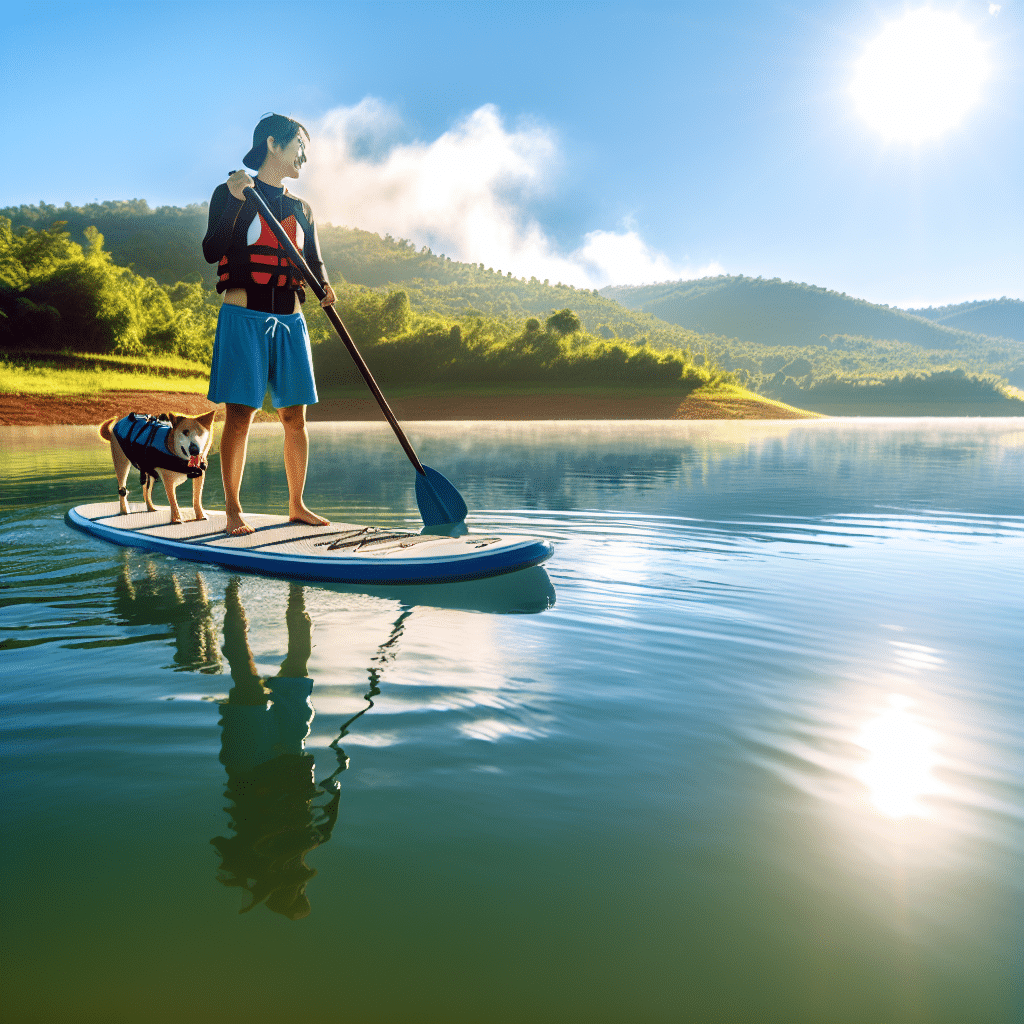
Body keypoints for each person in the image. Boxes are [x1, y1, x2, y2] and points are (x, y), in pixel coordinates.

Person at [203, 113, 337, 535]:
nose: (304, 156)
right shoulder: (231, 192)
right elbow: (212, 250)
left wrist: (326, 286)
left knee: (294, 416)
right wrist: (236, 202)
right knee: (240, 415)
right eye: (300, 145)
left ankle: (297, 504)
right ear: (273, 145)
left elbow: (312, 259)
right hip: (244, 318)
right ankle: (233, 511)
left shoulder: (302, 208)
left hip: (291, 322)